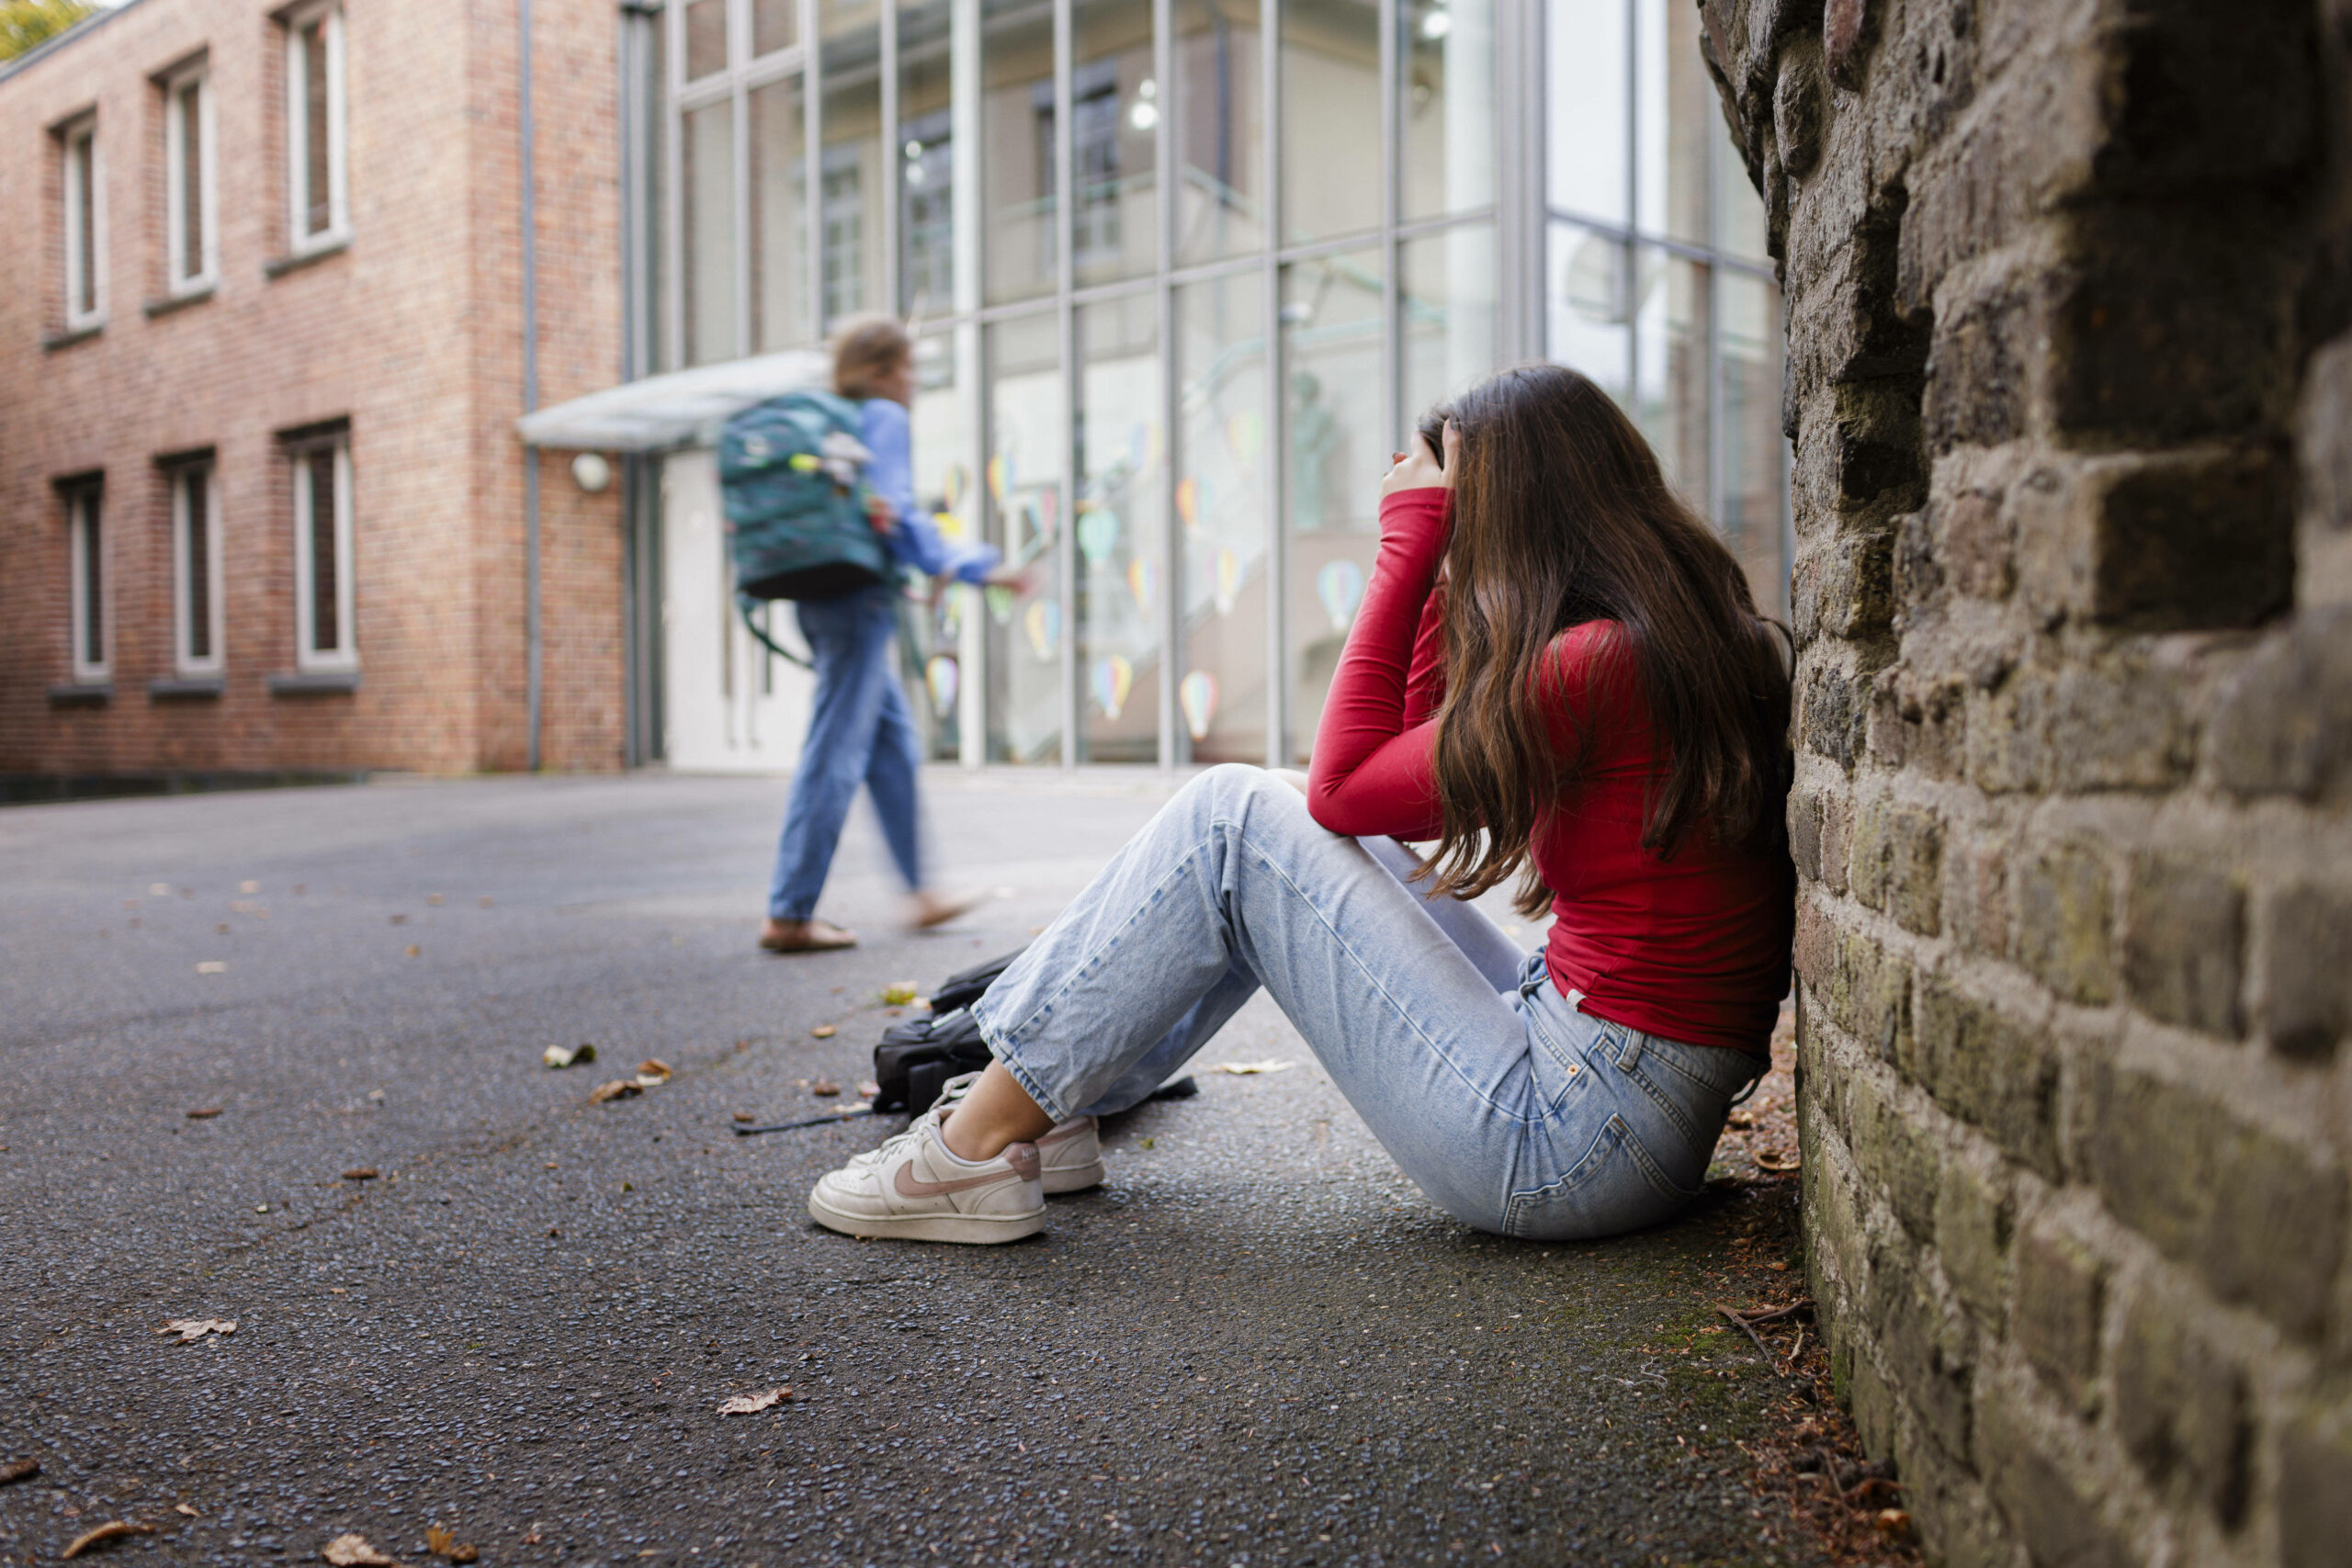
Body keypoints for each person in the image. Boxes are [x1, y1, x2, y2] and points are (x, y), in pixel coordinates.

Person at [805, 363, 1795, 1243]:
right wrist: (1445, 584)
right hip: (1614, 1098)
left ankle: (969, 1150)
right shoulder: (1664, 635)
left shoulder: (1591, 665)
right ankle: (1057, 1105)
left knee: (1237, 817)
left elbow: (1345, 783)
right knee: (1269, 809)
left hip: (1570, 1140)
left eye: (1461, 511)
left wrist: (1408, 553)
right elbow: (1386, 809)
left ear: (1509, 514)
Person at [760, 317, 1020, 954]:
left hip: (827, 597)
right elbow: (895, 511)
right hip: (855, 603)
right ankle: (790, 911)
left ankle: (919, 891)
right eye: (907, 368)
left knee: (892, 747)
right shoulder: (879, 416)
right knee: (835, 750)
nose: (914, 381)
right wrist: (976, 566)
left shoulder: (836, 420)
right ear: (880, 371)